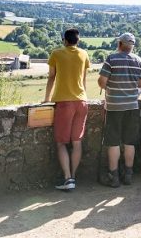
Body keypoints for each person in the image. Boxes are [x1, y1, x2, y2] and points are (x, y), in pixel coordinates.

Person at [44, 28, 91, 191]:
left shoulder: (56, 53)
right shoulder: (84, 54)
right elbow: (83, 79)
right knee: (76, 142)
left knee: (61, 143)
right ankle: (74, 176)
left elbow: (51, 77)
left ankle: (67, 178)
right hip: (82, 101)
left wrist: (46, 99)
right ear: (78, 40)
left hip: (64, 102)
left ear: (64, 39)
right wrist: (83, 95)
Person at [97, 32, 141, 187]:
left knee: (113, 142)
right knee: (129, 142)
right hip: (132, 106)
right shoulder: (139, 61)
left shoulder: (111, 59)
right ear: (132, 47)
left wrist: (110, 86)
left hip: (114, 107)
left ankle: (114, 176)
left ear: (119, 44)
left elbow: (102, 82)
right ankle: (128, 174)